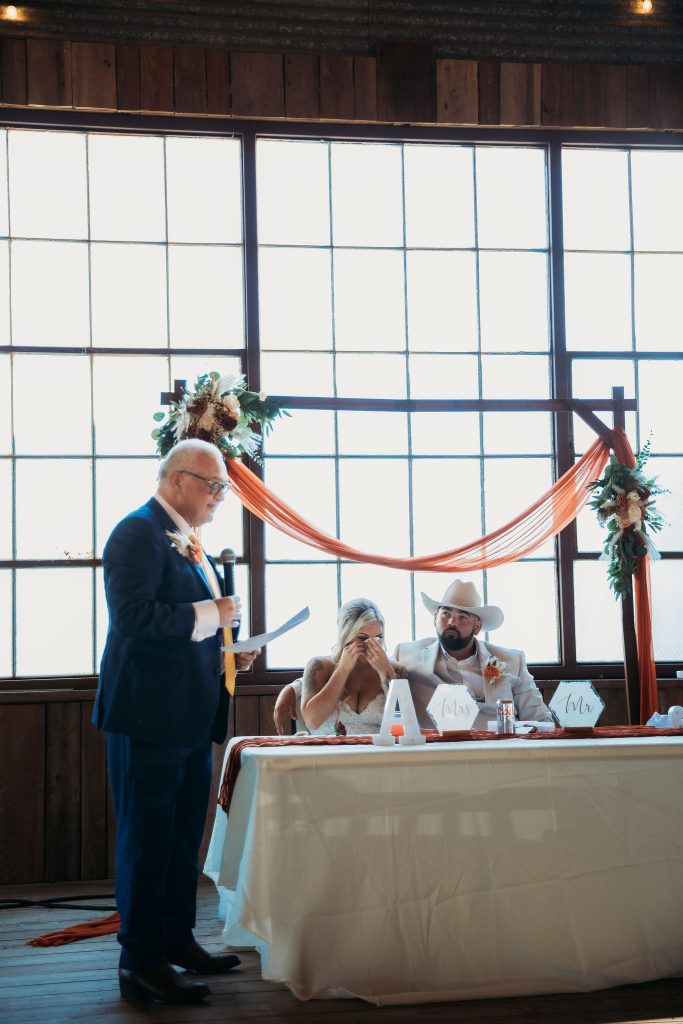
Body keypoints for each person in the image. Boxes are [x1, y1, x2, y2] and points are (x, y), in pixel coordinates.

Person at [93, 439, 259, 1006]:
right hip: (147, 714)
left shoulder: (190, 542)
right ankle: (139, 961)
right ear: (178, 480)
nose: (219, 497)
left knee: (183, 835)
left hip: (189, 711)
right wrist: (214, 615)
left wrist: (228, 649)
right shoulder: (135, 533)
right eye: (214, 486)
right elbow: (133, 618)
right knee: (147, 838)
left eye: (222, 489)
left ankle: (177, 939)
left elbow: (191, 628)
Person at [274, 579, 552, 733]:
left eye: (462, 616)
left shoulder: (511, 661)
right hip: (435, 757)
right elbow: (341, 666)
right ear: (435, 618)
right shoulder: (408, 654)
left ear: (477, 625)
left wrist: (517, 732)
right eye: (446, 614)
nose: (451, 622)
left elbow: (543, 720)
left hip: (499, 750)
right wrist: (294, 686)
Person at [301, 598, 402, 736]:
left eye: (378, 637)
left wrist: (386, 674)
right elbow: (312, 721)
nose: (372, 646)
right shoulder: (319, 666)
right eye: (362, 638)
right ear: (345, 636)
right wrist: (343, 669)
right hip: (327, 754)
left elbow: (404, 725)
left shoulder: (395, 669)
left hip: (380, 755)